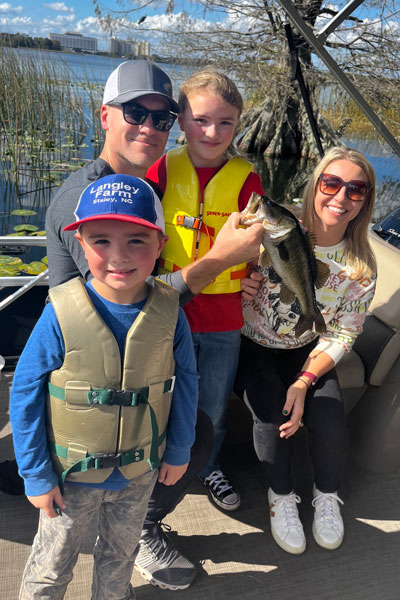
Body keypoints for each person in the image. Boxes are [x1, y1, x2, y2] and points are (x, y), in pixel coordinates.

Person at [44, 59, 263, 590]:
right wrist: (222, 257)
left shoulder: (139, 190)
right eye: (135, 113)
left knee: (198, 434)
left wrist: (250, 273)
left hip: (144, 356)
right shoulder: (89, 199)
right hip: (96, 384)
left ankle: (133, 521)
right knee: (190, 441)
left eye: (162, 118)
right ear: (104, 116)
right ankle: (133, 528)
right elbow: (136, 298)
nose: (150, 127)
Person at [10, 174, 199, 599]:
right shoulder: (59, 313)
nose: (119, 257)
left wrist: (180, 447)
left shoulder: (172, 314)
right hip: (71, 477)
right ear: (79, 242)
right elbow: (24, 392)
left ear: (160, 244)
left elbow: (186, 382)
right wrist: (36, 474)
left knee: (120, 555)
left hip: (139, 473)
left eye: (136, 240)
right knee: (52, 564)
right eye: (101, 241)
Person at [235, 147, 377, 554]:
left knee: (330, 414)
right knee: (271, 409)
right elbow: (228, 264)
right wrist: (241, 282)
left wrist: (303, 382)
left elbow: (344, 334)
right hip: (252, 342)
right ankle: (281, 496)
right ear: (315, 186)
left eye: (356, 189)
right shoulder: (273, 229)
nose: (340, 197)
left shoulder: (360, 266)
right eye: (331, 184)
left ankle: (328, 496)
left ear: (365, 200)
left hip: (306, 348)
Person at [146, 69, 264, 512]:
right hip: (169, 306)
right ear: (180, 121)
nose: (212, 132)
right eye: (200, 119)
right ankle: (160, 462)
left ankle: (208, 464)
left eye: (225, 123)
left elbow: (258, 242)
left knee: (213, 404)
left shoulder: (247, 178)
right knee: (163, 398)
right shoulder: (161, 167)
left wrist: (255, 277)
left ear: (237, 125)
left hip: (224, 319)